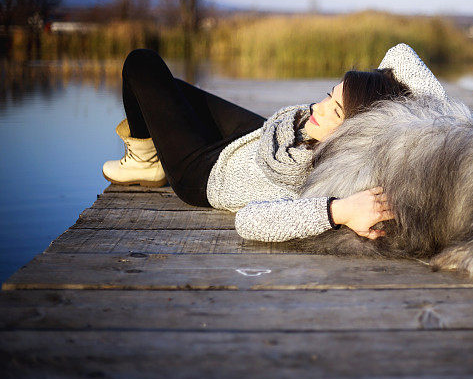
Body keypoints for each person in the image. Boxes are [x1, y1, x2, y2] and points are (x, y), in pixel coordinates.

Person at [102, 43, 447, 242]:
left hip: (205, 173)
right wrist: (421, 118)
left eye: (336, 111)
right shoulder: (302, 127)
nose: (319, 108)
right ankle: (150, 150)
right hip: (263, 138)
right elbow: (400, 53)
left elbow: (249, 222)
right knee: (170, 87)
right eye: (329, 96)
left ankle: (147, 161)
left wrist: (337, 212)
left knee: (141, 64)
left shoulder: (323, 179)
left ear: (356, 135)